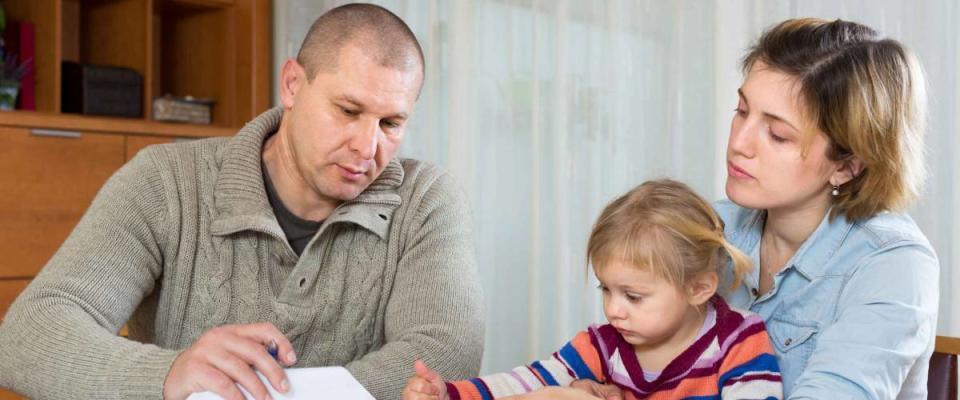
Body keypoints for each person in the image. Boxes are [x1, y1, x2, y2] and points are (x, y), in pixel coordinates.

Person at [0, 4, 484, 400]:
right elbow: (25, 337)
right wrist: (172, 373)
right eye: (348, 110)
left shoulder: (426, 200)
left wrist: (260, 393)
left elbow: (443, 355)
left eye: (390, 124)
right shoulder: (164, 181)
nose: (366, 145)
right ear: (293, 84)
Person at [716, 18, 939, 398]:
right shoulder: (712, 226)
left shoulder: (894, 264)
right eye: (741, 110)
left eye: (777, 135)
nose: (740, 142)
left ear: (847, 165)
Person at [403, 180, 784, 400]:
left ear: (699, 288)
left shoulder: (738, 341)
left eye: (633, 296)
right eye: (607, 289)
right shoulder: (603, 343)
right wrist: (450, 394)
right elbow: (528, 379)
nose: (614, 310)